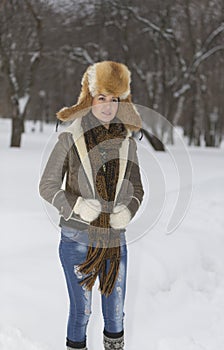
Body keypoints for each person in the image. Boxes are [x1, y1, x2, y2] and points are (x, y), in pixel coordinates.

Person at [39, 60, 144, 350]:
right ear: (90, 98)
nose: (108, 106)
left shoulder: (127, 142)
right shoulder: (69, 138)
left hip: (114, 237)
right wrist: (76, 206)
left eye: (115, 99)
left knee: (115, 314)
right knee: (82, 312)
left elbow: (137, 187)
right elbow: (47, 186)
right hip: (75, 238)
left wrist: (128, 210)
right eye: (102, 98)